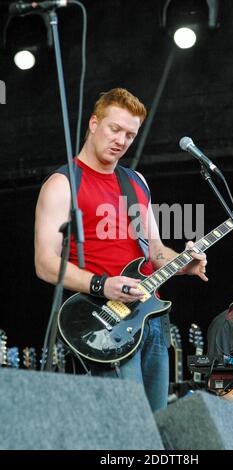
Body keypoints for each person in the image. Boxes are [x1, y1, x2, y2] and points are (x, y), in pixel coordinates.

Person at [34, 87, 208, 412]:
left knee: (155, 423)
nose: (122, 141)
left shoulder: (136, 182)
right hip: (102, 320)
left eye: (130, 134)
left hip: (150, 319)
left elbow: (154, 251)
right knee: (127, 424)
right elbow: (45, 263)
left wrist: (183, 263)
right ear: (94, 123)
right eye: (115, 129)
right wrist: (103, 284)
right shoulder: (62, 183)